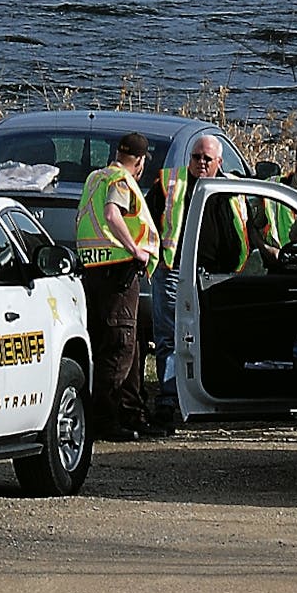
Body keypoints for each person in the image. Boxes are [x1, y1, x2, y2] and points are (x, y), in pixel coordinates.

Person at [145, 135, 248, 431]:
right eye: (196, 157)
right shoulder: (171, 185)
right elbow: (149, 223)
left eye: (207, 159)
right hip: (174, 272)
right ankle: (167, 400)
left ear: (219, 162)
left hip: (214, 277)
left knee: (209, 338)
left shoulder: (230, 189)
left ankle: (207, 397)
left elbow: (242, 231)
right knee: (169, 338)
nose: (200, 163)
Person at [76, 132, 163, 442]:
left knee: (128, 343)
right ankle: (103, 419)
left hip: (96, 272)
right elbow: (113, 215)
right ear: (139, 160)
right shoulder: (120, 180)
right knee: (118, 347)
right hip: (118, 273)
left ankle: (130, 412)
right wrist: (136, 250)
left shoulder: (94, 178)